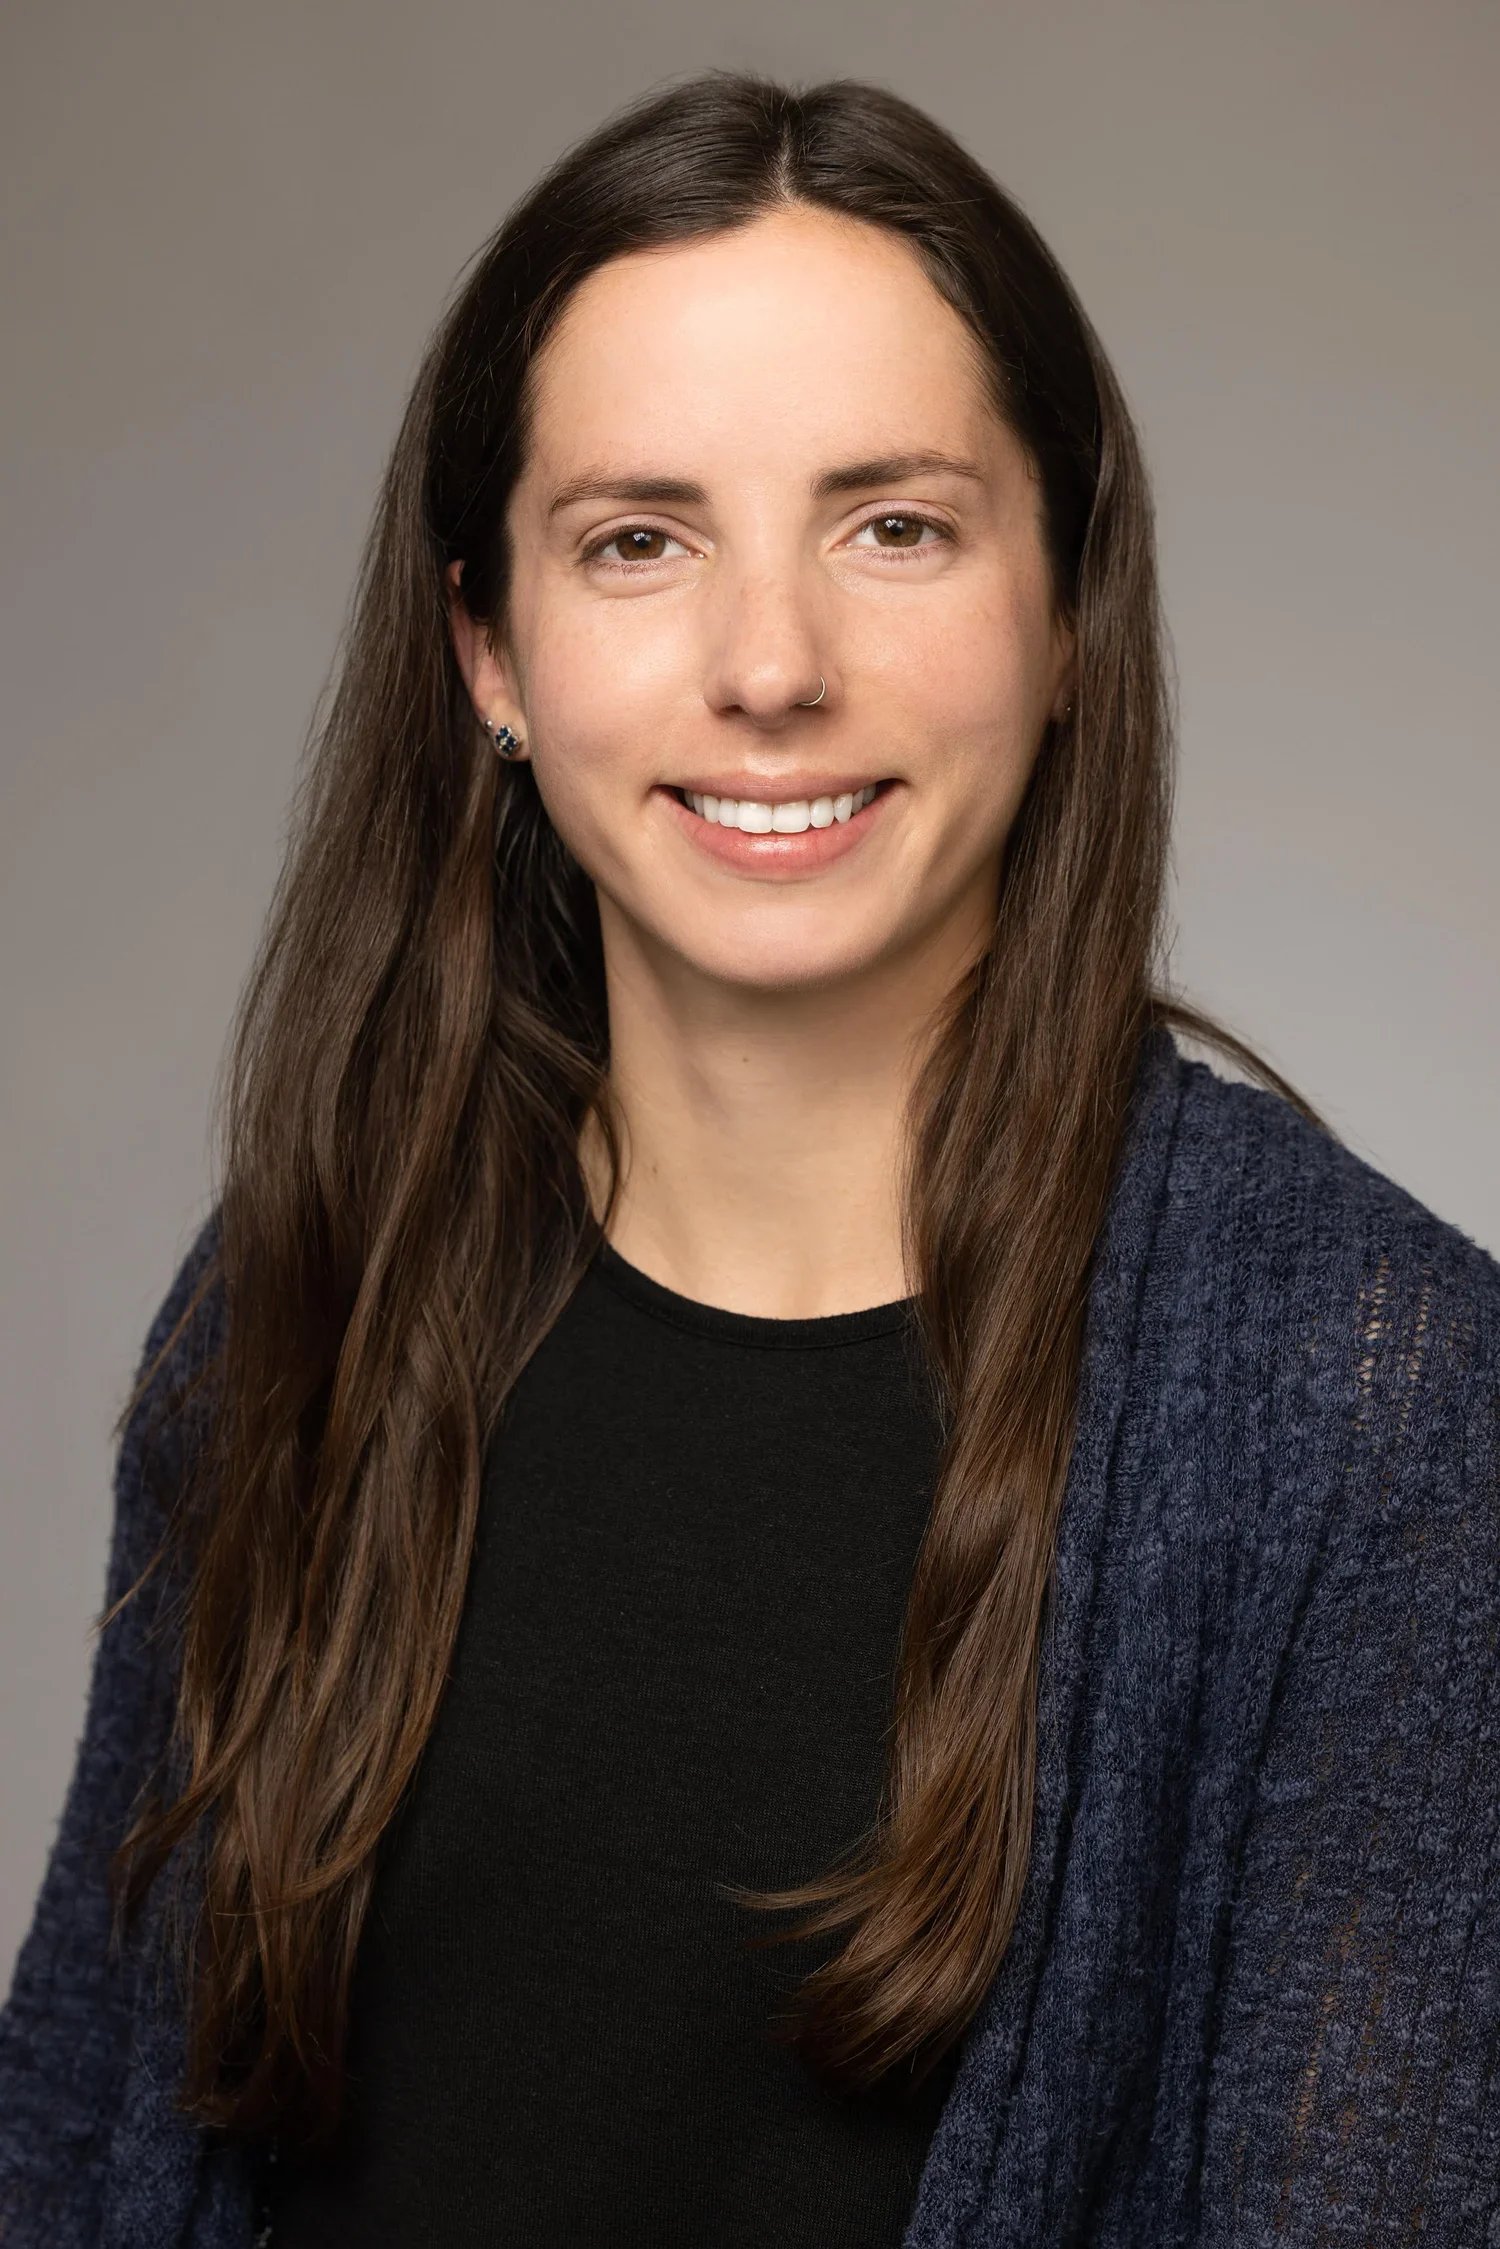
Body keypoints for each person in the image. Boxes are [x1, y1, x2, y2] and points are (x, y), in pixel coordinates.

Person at [1, 71, 1496, 2249]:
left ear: (1065, 608)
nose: (772, 666)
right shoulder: (302, 1286)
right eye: (641, 539)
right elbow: (74, 2137)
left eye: (895, 525)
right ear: (488, 652)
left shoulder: (1379, 1408)